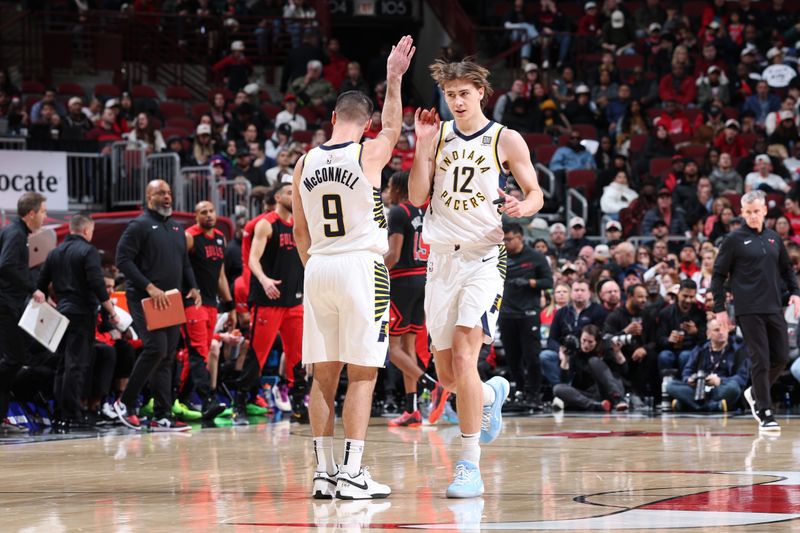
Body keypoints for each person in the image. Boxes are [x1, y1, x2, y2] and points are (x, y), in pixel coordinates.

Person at [409, 55, 543, 498]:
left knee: (466, 362)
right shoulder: (439, 132)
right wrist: (422, 145)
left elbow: (535, 191)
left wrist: (526, 206)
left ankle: (469, 465)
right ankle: (489, 397)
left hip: (484, 259)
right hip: (440, 261)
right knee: (449, 375)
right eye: (450, 95)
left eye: (464, 93)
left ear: (482, 93)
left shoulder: (505, 138)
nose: (457, 101)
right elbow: (415, 195)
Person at [293, 36, 415, 500]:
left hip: (318, 266)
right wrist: (395, 77)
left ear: (331, 119)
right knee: (363, 372)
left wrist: (315, 266)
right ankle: (352, 472)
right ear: (365, 123)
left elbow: (301, 233)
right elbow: (394, 126)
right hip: (360, 266)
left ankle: (323, 473)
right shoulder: (368, 152)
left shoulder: (304, 161)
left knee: (323, 374)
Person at [113, 180, 201, 432]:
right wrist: (149, 286)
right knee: (155, 348)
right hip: (145, 297)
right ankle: (125, 402)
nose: (166, 197)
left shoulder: (176, 228)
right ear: (148, 196)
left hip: (171, 300)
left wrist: (193, 286)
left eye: (168, 193)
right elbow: (123, 259)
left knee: (168, 355)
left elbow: (184, 263)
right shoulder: (138, 225)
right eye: (160, 193)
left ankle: (162, 414)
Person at [711, 190, 800, 432]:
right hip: (747, 309)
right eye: (747, 212)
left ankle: (754, 392)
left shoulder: (773, 238)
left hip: (774, 307)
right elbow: (718, 275)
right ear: (742, 212)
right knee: (760, 358)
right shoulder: (734, 240)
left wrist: (795, 292)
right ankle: (765, 410)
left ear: (764, 211)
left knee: (781, 357)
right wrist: (719, 309)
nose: (752, 216)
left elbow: (787, 269)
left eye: (756, 211)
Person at [36, 213, 119, 428]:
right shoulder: (88, 251)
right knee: (77, 365)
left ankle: (61, 412)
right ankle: (73, 414)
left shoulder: (54, 253)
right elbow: (96, 282)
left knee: (64, 364)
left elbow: (41, 284)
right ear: (85, 231)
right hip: (82, 313)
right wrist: (110, 309)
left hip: (62, 311)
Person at [383, 171, 443, 427]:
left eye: (388, 186)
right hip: (425, 279)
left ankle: (431, 385)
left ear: (398, 188)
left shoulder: (398, 212)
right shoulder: (426, 211)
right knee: (408, 349)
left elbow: (394, 255)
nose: (387, 191)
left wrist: (375, 273)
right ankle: (412, 409)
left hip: (402, 281)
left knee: (392, 350)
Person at [243, 182, 306, 423]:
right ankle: (244, 398)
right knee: (258, 353)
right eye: (289, 192)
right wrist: (264, 279)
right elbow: (253, 260)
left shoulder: (301, 224)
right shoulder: (266, 224)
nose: (294, 195)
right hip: (268, 301)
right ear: (277, 197)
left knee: (297, 355)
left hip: (294, 301)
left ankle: (298, 401)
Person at [182, 201, 235, 421]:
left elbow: (221, 275)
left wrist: (230, 306)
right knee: (198, 352)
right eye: (203, 212)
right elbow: (179, 267)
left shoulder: (221, 238)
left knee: (199, 353)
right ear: (195, 216)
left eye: (211, 211)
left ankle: (182, 398)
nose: (209, 215)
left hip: (212, 304)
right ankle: (206, 400)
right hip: (193, 303)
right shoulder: (190, 236)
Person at [0, 193, 47, 430]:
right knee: (13, 360)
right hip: (6, 305)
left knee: (14, 359)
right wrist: (32, 289)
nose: (45, 217)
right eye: (43, 212)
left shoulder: (18, 233)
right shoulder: (16, 234)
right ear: (31, 213)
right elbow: (6, 265)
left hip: (12, 304)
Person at [499, 223, 552, 409]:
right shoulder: (499, 256)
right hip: (506, 314)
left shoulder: (536, 258)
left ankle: (534, 394)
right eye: (503, 239)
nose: (505, 243)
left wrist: (529, 282)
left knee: (532, 357)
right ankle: (520, 391)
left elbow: (548, 281)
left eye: (509, 239)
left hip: (528, 313)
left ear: (520, 238)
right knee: (512, 358)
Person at [667, 319, 749, 413]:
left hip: (721, 389)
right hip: (699, 389)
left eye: (724, 329)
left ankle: (690, 405)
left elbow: (742, 378)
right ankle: (714, 406)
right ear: (708, 333)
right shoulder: (700, 348)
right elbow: (687, 371)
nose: (721, 332)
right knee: (670, 385)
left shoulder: (738, 350)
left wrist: (720, 381)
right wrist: (689, 379)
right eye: (717, 330)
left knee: (734, 388)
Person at [552, 325, 627, 412]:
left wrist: (618, 353)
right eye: (584, 340)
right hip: (590, 395)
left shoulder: (605, 350)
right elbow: (564, 381)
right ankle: (596, 406)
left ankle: (618, 400)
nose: (586, 345)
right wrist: (565, 359)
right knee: (558, 389)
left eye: (590, 342)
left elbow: (623, 372)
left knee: (594, 361)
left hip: (609, 391)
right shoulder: (576, 353)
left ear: (597, 342)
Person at [656, 279, 706, 377]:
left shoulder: (700, 314)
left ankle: (685, 387)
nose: (688, 300)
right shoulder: (665, 313)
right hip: (670, 349)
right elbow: (659, 338)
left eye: (691, 297)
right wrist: (668, 340)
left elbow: (705, 339)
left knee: (685, 356)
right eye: (685, 296)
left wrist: (696, 332)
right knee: (664, 356)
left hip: (691, 349)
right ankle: (665, 388)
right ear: (678, 294)